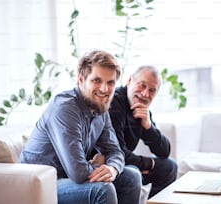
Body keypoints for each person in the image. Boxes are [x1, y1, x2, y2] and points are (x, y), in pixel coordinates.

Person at [20, 50, 142, 204]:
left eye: (110, 82)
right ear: (81, 79)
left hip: (67, 178)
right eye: (97, 80)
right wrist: (99, 166)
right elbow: (78, 172)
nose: (104, 89)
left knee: (132, 177)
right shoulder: (65, 109)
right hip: (40, 185)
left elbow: (115, 151)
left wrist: (112, 169)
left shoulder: (100, 107)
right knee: (103, 188)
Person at [109, 65, 178, 198]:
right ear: (130, 81)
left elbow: (164, 151)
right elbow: (116, 151)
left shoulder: (142, 111)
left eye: (152, 91)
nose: (145, 94)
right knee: (133, 173)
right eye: (142, 85)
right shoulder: (114, 103)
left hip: (127, 161)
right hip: (110, 163)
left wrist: (148, 126)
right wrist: (148, 164)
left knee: (169, 167)